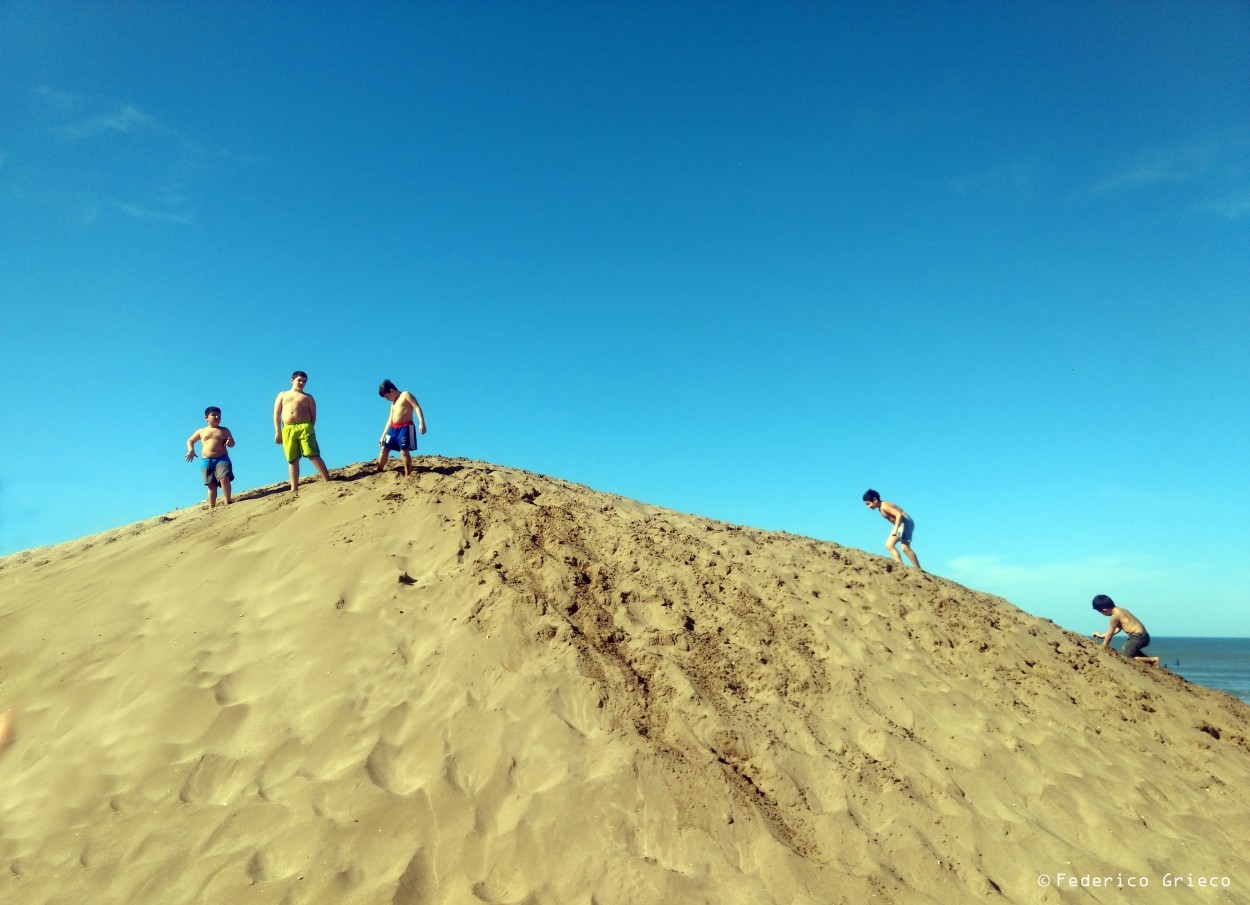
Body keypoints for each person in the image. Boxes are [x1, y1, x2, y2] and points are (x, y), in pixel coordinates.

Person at [273, 370, 331, 492]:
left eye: (304, 381)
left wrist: (310, 427)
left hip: (305, 426)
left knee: (312, 453)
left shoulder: (308, 397)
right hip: (288, 428)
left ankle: (327, 479)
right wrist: (278, 431)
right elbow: (276, 413)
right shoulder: (283, 394)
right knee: (292, 458)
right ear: (292, 380)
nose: (301, 383)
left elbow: (313, 414)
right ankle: (294, 488)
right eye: (299, 380)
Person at [185, 406, 236, 507]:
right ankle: (211, 506)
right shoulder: (201, 431)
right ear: (206, 417)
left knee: (224, 479)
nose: (217, 417)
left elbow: (232, 444)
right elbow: (190, 440)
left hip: (222, 458)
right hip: (207, 461)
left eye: (219, 416)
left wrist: (229, 442)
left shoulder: (224, 430)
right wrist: (191, 450)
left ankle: (228, 501)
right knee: (211, 485)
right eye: (213, 415)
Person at [1091, 594, 1160, 667]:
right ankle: (1149, 662)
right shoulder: (1122, 610)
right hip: (1144, 636)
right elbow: (1118, 628)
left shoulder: (1115, 616)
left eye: (1100, 612)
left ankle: (1153, 660)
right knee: (1129, 650)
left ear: (1104, 610)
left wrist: (1103, 646)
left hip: (1137, 637)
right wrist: (1102, 635)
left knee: (1127, 658)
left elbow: (1110, 635)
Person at [375, 379, 427, 476]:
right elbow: (389, 420)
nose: (387, 399)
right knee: (384, 448)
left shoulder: (406, 395)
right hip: (394, 429)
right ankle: (379, 470)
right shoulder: (393, 403)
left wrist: (422, 422)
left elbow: (416, 407)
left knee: (404, 451)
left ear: (391, 391)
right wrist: (383, 436)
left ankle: (408, 474)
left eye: (387, 396)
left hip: (405, 427)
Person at [862, 489, 922, 570]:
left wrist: (895, 529)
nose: (868, 507)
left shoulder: (884, 506)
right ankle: (901, 567)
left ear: (875, 500)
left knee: (905, 548)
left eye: (868, 504)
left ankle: (918, 569)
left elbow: (899, 515)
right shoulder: (881, 507)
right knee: (889, 545)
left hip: (906, 523)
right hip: (900, 524)